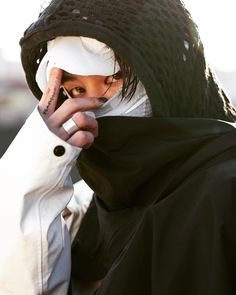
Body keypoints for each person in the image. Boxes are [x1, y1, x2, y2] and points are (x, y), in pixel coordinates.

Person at [0, 0, 236, 294]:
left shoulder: (222, 192)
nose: (90, 108)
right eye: (76, 90)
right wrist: (37, 164)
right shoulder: (86, 211)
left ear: (165, 76)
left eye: (112, 80)